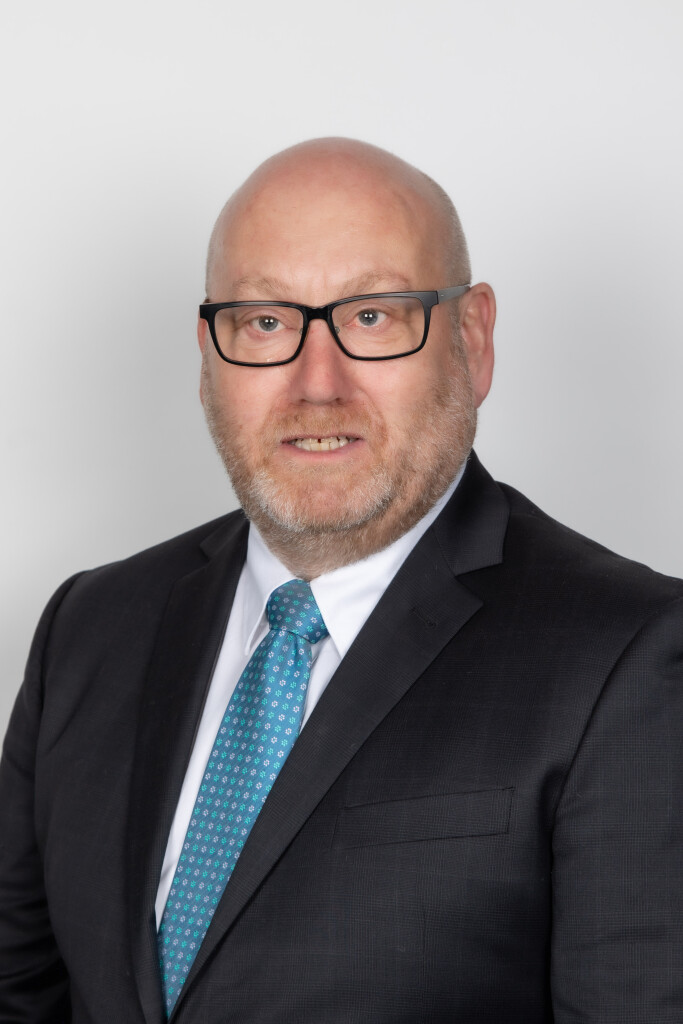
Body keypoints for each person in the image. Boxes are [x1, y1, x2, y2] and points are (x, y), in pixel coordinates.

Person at [0, 138, 681, 1024]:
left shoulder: (630, 658)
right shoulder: (90, 626)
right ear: (208, 356)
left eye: (371, 316)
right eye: (264, 322)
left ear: (471, 340)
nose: (316, 386)